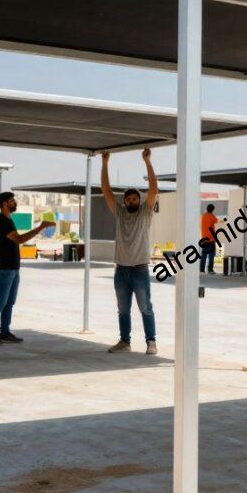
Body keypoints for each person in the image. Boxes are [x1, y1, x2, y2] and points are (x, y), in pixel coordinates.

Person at [100, 148, 159, 355]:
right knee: (123, 310)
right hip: (121, 270)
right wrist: (105, 163)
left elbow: (153, 189)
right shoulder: (119, 212)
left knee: (145, 308)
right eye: (129, 199)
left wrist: (147, 162)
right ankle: (125, 342)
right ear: (124, 201)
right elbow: (106, 190)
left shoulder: (145, 212)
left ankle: (151, 342)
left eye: (135, 198)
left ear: (139, 201)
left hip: (140, 269)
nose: (132, 201)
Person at [0, 191, 54, 345]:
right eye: (12, 201)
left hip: (13, 268)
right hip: (4, 268)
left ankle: (4, 332)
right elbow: (19, 239)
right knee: (0, 301)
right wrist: (40, 228)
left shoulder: (9, 220)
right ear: (4, 203)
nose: (15, 203)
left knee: (9, 302)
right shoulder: (1, 221)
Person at [199, 203, 219, 274]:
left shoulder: (203, 216)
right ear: (212, 210)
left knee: (204, 255)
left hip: (204, 239)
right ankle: (210, 270)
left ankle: (201, 270)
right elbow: (216, 221)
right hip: (211, 239)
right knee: (211, 255)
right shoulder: (211, 216)